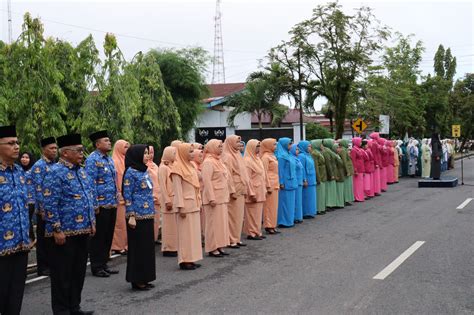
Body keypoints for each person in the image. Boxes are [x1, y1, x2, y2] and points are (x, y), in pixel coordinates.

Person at [42, 133, 96, 315]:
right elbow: (49, 203)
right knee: (62, 275)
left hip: (82, 231)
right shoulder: (55, 172)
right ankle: (62, 310)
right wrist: (56, 228)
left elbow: (88, 198)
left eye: (82, 150)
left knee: (78, 273)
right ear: (65, 153)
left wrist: (92, 222)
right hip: (63, 234)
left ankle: (74, 307)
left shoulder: (81, 171)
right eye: (78, 150)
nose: (82, 153)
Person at [0, 125, 30, 315]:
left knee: (16, 292)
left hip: (20, 243)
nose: (17, 147)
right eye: (11, 143)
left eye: (17, 142)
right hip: (2, 245)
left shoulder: (19, 172)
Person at [123, 144, 156, 291]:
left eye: (148, 153)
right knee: (138, 249)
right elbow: (127, 196)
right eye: (144, 153)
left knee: (147, 248)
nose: (148, 156)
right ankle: (137, 279)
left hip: (148, 214)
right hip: (137, 217)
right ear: (136, 155)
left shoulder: (143, 171)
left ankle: (146, 277)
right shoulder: (130, 172)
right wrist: (131, 215)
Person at [85, 130, 118, 278]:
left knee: (108, 235)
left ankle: (104, 263)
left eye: (109, 140)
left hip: (111, 203)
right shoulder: (93, 159)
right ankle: (97, 266)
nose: (109, 142)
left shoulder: (109, 159)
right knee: (98, 237)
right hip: (101, 204)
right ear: (97, 144)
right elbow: (90, 183)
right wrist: (94, 204)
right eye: (106, 140)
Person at [171, 143, 203, 270]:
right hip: (185, 205)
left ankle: (192, 258)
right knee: (185, 234)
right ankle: (184, 260)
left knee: (193, 234)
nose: (192, 154)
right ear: (183, 153)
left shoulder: (190, 166)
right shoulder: (177, 167)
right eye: (190, 152)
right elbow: (177, 190)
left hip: (193, 203)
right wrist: (180, 207)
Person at [30, 137, 58, 276]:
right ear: (43, 150)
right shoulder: (39, 166)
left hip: (55, 209)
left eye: (55, 148)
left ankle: (52, 264)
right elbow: (38, 189)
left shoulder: (56, 165)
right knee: (43, 239)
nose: (54, 151)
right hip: (43, 209)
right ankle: (43, 267)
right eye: (51, 148)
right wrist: (41, 208)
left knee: (52, 238)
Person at [201, 139, 232, 257]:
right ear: (212, 147)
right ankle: (212, 247)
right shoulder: (208, 162)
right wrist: (211, 198)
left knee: (221, 224)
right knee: (213, 224)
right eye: (218, 146)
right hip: (213, 199)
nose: (221, 148)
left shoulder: (219, 161)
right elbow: (207, 181)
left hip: (222, 197)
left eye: (221, 146)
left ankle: (220, 245)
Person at [222, 135, 249, 248]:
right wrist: (231, 190)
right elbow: (228, 176)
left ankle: (236, 238)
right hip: (234, 190)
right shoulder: (227, 156)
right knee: (233, 216)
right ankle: (231, 239)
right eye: (237, 143)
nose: (239, 145)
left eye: (240, 143)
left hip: (241, 187)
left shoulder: (238, 155)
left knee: (239, 216)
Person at [243, 139, 268, 239]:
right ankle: (251, 233)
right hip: (253, 190)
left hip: (260, 189)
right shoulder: (247, 161)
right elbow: (247, 179)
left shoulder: (258, 159)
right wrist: (251, 192)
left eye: (259, 146)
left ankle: (257, 231)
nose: (259, 148)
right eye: (257, 146)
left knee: (258, 213)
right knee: (252, 213)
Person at [111, 140, 130, 256]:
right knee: (119, 224)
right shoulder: (114, 161)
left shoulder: (126, 161)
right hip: (119, 197)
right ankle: (117, 246)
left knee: (125, 222)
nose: (127, 149)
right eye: (125, 147)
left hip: (127, 196)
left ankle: (125, 244)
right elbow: (116, 180)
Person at [159, 146, 178, 257]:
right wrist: (167, 200)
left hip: (173, 198)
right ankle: (168, 248)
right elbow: (163, 186)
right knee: (168, 226)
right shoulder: (163, 168)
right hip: (168, 200)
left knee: (173, 226)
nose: (175, 156)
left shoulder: (172, 166)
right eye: (173, 153)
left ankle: (173, 247)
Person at [276, 138, 297, 227]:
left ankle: (289, 220)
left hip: (292, 181)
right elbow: (280, 170)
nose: (291, 146)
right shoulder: (281, 156)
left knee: (290, 203)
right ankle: (283, 221)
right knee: (284, 202)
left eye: (291, 144)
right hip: (285, 182)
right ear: (284, 145)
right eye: (289, 144)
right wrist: (281, 182)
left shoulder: (289, 155)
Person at [260, 138, 280, 234]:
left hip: (275, 183)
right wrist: (267, 186)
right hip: (270, 184)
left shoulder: (272, 156)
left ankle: (273, 224)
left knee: (274, 206)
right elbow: (264, 172)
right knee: (268, 206)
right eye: (274, 144)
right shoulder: (265, 157)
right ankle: (268, 225)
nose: (275, 146)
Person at [18, 151, 36, 244]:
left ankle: (31, 239)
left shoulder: (33, 170)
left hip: (30, 199)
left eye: (27, 157)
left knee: (27, 218)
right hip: (19, 199)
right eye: (23, 157)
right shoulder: (17, 169)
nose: (24, 159)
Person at [298, 141, 317, 218]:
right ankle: (306, 212)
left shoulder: (308, 155)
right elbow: (302, 169)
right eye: (308, 146)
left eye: (310, 146)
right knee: (306, 197)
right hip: (307, 179)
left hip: (312, 178)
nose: (310, 148)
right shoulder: (301, 156)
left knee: (311, 197)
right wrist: (304, 179)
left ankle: (311, 211)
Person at [146, 146, 161, 244]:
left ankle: (154, 238)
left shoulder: (155, 165)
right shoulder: (143, 166)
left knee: (156, 220)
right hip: (150, 196)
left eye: (152, 152)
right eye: (148, 152)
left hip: (158, 196)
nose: (150, 155)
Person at [311, 139, 327, 215]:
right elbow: (316, 166)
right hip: (320, 174)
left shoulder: (319, 152)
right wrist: (318, 178)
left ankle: (322, 208)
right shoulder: (314, 153)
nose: (322, 146)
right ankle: (319, 209)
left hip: (323, 173)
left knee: (322, 192)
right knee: (319, 193)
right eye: (321, 144)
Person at [322, 139, 338, 210]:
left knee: (332, 189)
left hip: (332, 171)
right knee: (329, 190)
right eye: (333, 143)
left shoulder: (329, 151)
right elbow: (328, 164)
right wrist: (331, 174)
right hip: (330, 173)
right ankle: (329, 204)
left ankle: (331, 204)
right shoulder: (327, 151)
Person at [290, 144, 304, 223]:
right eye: (296, 149)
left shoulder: (297, 159)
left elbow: (302, 169)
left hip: (300, 181)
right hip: (296, 181)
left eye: (298, 149)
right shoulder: (292, 159)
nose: (298, 151)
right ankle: (295, 217)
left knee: (299, 201)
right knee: (296, 201)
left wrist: (304, 179)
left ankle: (298, 217)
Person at [338, 139, 355, 205]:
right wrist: (347, 171)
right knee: (347, 186)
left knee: (348, 186)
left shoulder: (344, 150)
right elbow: (344, 161)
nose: (348, 144)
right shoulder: (343, 150)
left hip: (349, 169)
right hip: (347, 170)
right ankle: (346, 199)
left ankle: (347, 199)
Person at [351, 137, 365, 202]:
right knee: (357, 184)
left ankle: (360, 196)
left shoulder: (359, 149)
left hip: (361, 168)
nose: (361, 143)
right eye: (360, 141)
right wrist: (355, 170)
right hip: (357, 169)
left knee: (360, 183)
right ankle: (357, 197)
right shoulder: (354, 150)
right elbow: (353, 161)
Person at [332, 143, 346, 208]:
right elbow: (334, 166)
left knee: (340, 188)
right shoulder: (334, 156)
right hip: (338, 172)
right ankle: (338, 203)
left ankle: (340, 202)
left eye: (339, 147)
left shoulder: (338, 155)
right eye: (337, 148)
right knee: (338, 189)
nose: (339, 149)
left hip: (340, 172)